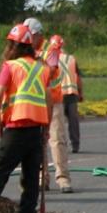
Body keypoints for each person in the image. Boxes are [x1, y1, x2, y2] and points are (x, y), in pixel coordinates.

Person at [0, 21, 59, 213]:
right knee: (31, 174)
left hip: (16, 128)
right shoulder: (42, 69)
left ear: (15, 46)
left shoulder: (10, 67)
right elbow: (49, 102)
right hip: (36, 128)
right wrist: (46, 128)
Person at [41, 34, 82, 190]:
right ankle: (43, 178)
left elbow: (53, 73)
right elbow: (78, 78)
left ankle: (61, 178)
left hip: (56, 98)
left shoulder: (50, 52)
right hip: (48, 98)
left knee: (57, 137)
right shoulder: (70, 58)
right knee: (50, 139)